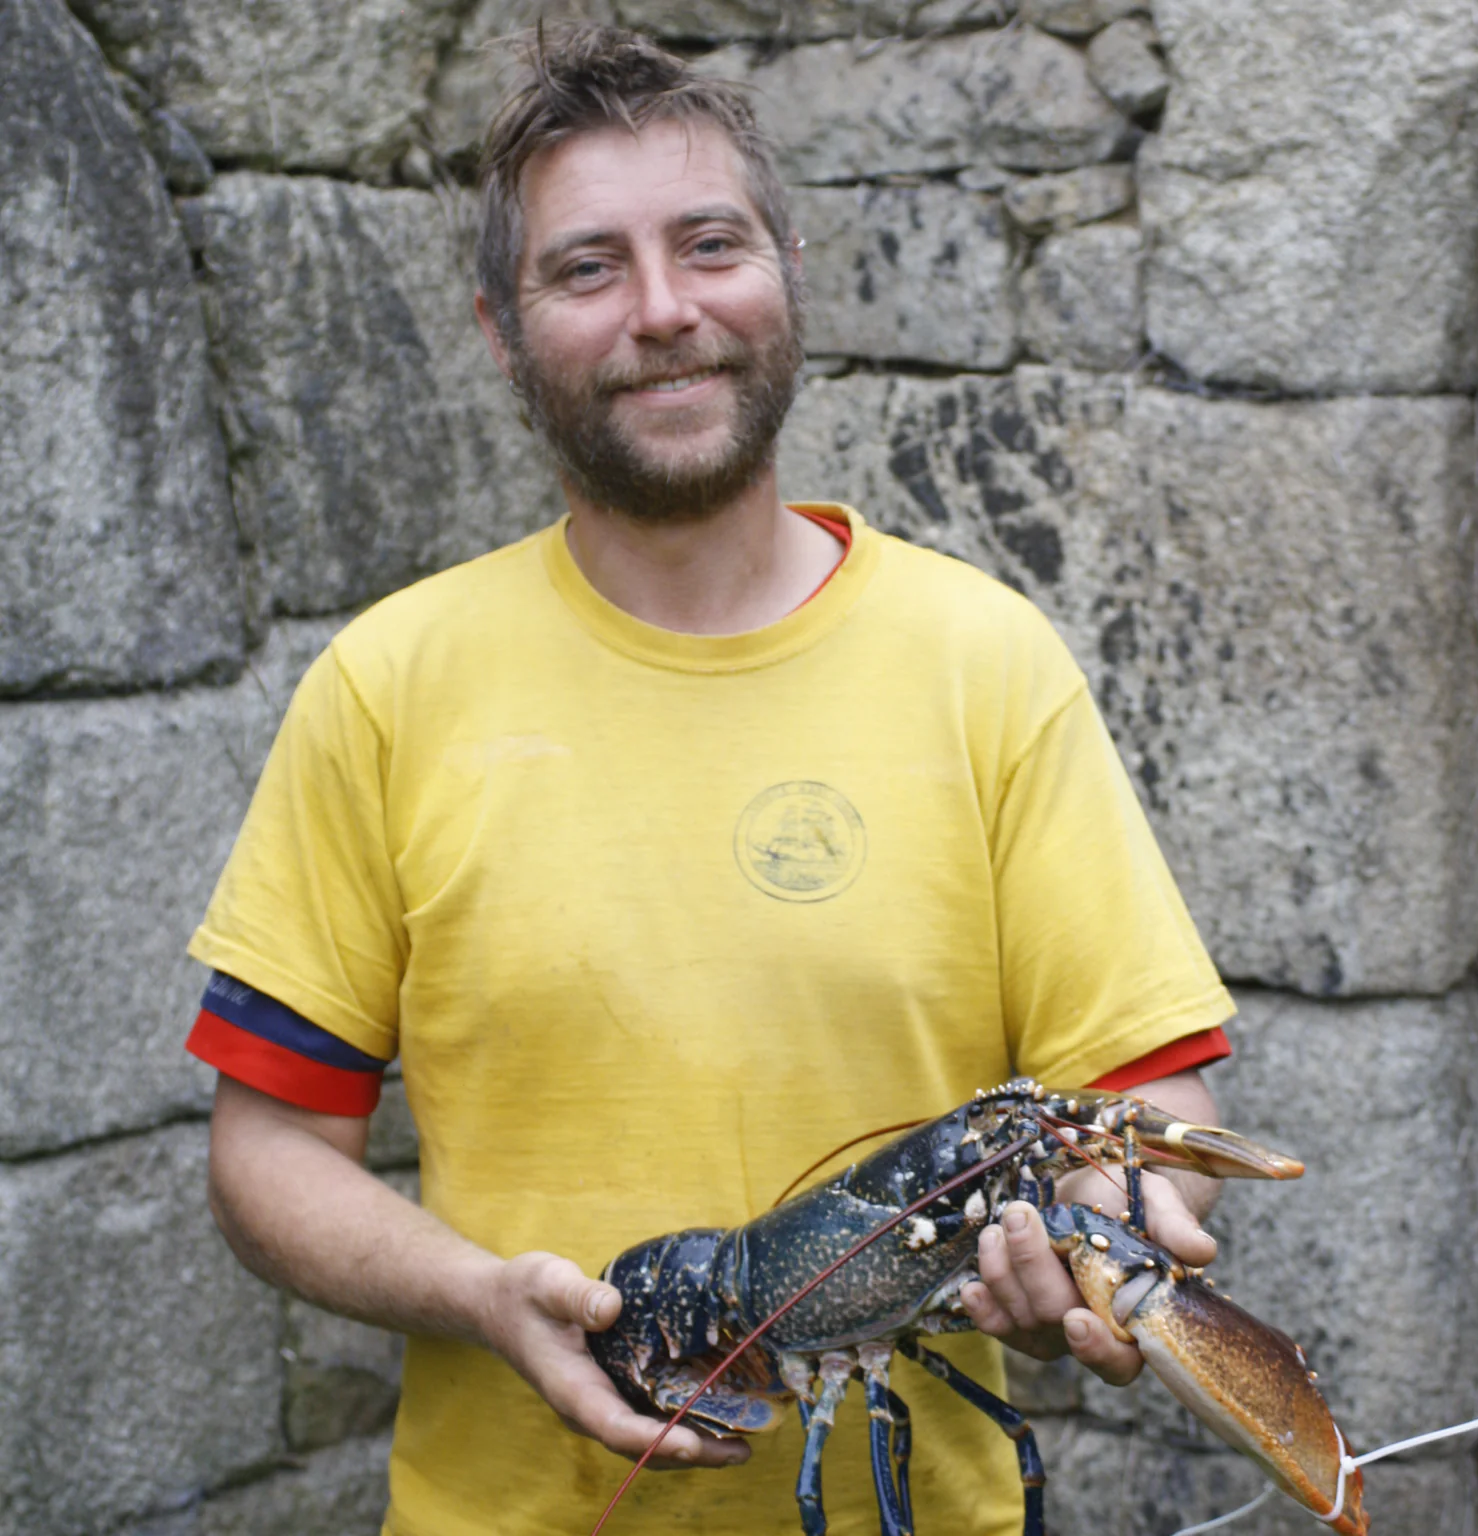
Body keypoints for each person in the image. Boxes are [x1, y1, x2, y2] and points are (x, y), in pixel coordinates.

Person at [186, 25, 1235, 1536]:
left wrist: (1089, 1232)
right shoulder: (387, 683)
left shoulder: (985, 659)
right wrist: (480, 1296)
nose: (665, 311)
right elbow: (268, 1146)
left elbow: (1144, 1082)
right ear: (502, 326)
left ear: (788, 269)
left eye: (710, 245)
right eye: (588, 268)